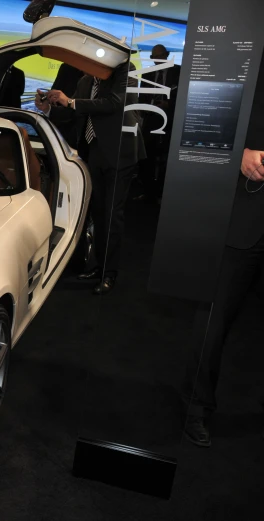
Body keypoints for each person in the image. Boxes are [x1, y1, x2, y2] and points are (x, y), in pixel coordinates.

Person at [182, 58, 264, 447]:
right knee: (212, 323)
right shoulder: (244, 57)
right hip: (243, 216)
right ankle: (196, 407)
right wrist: (241, 153)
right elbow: (202, 118)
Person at [36, 61, 145, 294]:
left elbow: (113, 103)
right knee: (97, 214)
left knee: (112, 215)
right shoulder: (85, 81)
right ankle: (98, 266)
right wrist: (50, 108)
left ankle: (109, 273)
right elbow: (72, 113)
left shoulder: (125, 71)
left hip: (120, 154)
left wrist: (71, 101)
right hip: (93, 152)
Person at [136, 44, 181, 203]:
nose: (156, 60)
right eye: (153, 57)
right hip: (150, 119)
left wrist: (169, 105)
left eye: (159, 56)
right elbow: (141, 97)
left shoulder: (179, 72)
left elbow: (184, 96)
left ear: (167, 55)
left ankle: (161, 194)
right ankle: (148, 191)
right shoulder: (148, 74)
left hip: (171, 120)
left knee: (166, 157)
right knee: (145, 155)